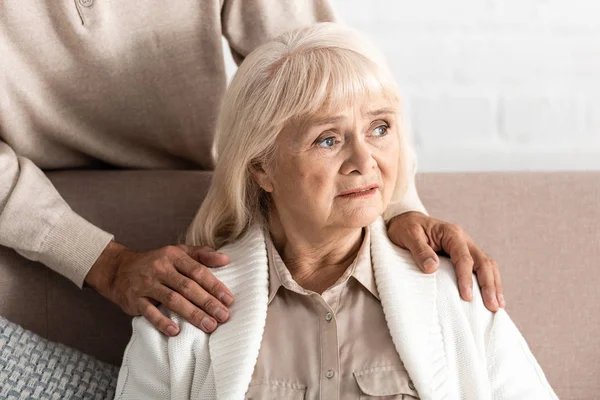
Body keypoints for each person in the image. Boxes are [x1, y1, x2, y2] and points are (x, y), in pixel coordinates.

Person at [0, 0, 503, 339]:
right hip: (28, 218)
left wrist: (395, 205)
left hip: (195, 199)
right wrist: (100, 260)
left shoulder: (445, 302)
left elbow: (320, 68)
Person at [115, 23, 557, 400]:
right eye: (328, 139)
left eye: (379, 128)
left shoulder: (455, 290)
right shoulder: (183, 308)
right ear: (261, 167)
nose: (365, 161)